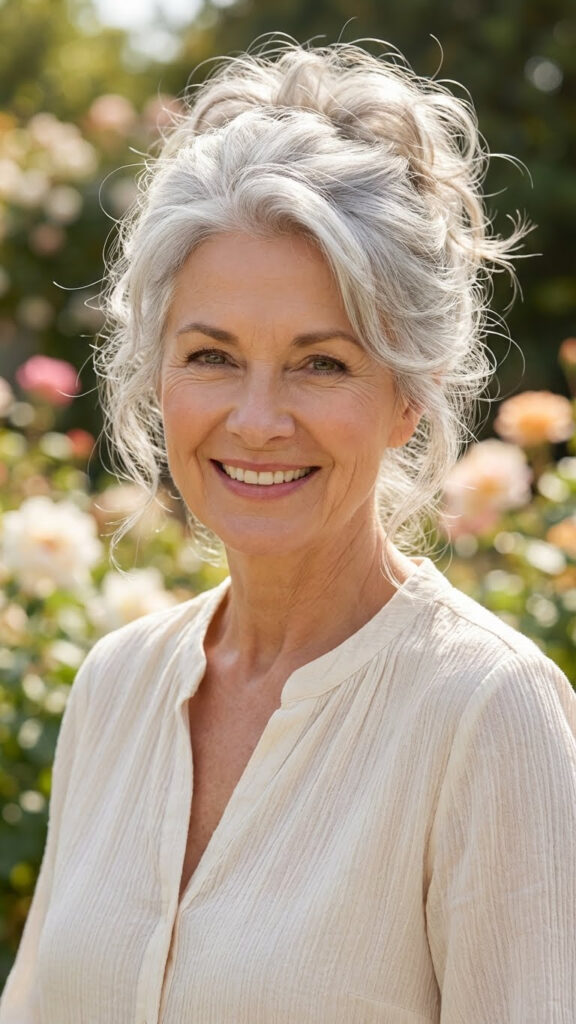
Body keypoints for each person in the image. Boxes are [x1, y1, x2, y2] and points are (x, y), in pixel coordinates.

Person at [1, 38, 575, 1024]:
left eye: (320, 364)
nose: (259, 420)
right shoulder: (114, 685)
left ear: (409, 396)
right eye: (213, 355)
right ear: (157, 377)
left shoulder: (488, 716)